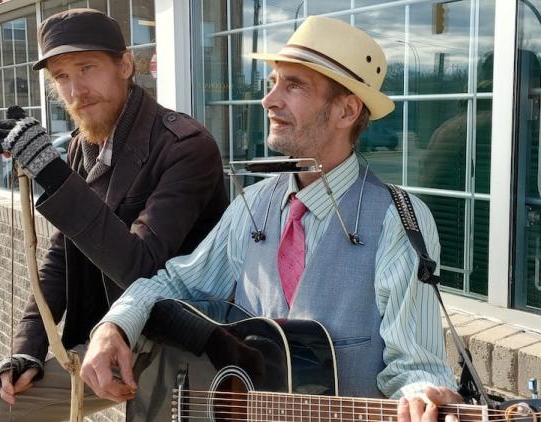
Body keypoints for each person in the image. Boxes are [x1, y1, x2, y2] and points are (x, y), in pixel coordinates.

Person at [82, 15, 464, 422]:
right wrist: (115, 326)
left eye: (293, 86)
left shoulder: (397, 219)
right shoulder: (253, 203)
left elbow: (417, 366)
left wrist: (423, 398)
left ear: (347, 110)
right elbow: (175, 282)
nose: (269, 100)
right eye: (273, 82)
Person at [0, 8, 229, 421]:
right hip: (105, 340)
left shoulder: (185, 146)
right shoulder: (84, 146)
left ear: (126, 65)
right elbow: (62, 255)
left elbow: (141, 266)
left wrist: (52, 172)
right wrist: (27, 348)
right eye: (61, 76)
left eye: (87, 67)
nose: (75, 89)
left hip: (180, 346)